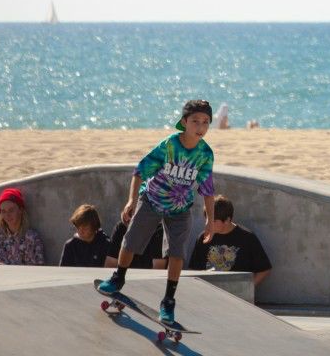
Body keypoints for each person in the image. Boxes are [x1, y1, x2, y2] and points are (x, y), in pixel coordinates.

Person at [96, 100, 217, 327]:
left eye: (206, 122)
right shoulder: (170, 145)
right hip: (152, 200)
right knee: (130, 241)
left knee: (177, 253)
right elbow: (140, 170)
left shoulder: (205, 154)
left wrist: (210, 220)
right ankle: (118, 278)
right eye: (195, 121)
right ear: (184, 122)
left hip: (180, 208)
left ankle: (168, 301)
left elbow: (208, 190)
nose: (200, 127)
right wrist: (131, 200)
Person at [188, 195, 272, 288]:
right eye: (207, 219)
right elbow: (194, 270)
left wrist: (246, 289)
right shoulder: (203, 238)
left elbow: (264, 269)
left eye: (213, 221)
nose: (207, 224)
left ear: (227, 220)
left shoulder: (247, 238)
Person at [0, 187, 45, 265]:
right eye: (3, 211)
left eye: (11, 210)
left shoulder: (31, 239)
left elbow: (37, 271)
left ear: (20, 210)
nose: (7, 215)